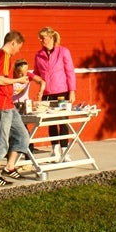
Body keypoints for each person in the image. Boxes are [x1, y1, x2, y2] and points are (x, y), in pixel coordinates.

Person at [0, 30, 30, 186]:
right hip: (0, 104)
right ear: (13, 43)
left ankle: (9, 166)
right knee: (2, 140)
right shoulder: (4, 56)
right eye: (18, 46)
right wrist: (18, 80)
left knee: (22, 135)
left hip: (7, 103)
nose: (18, 50)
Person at [33, 26, 76, 161]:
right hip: (47, 94)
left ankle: (64, 150)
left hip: (62, 92)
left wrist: (72, 91)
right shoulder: (38, 55)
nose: (40, 40)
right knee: (51, 122)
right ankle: (55, 150)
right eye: (40, 38)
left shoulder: (63, 52)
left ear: (51, 37)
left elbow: (70, 72)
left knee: (62, 120)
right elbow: (36, 74)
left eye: (43, 37)